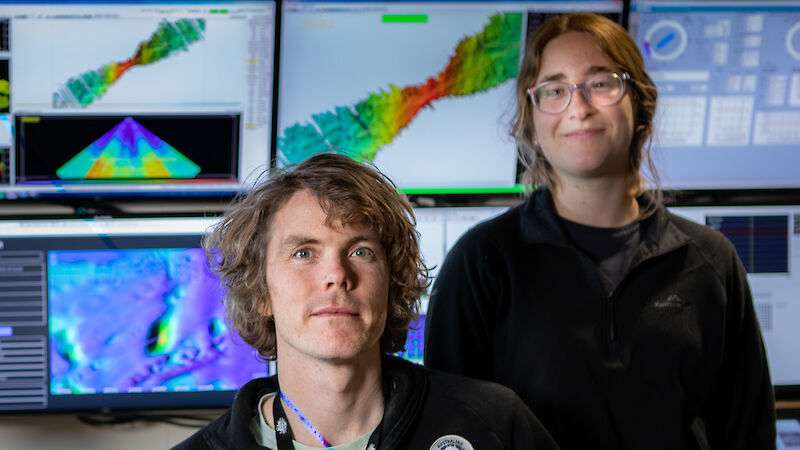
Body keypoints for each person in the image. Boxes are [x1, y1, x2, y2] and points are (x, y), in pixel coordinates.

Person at [424, 12, 776, 450]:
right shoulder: (482, 261)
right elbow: (449, 434)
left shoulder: (709, 261)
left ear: (641, 103)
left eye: (601, 82)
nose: (579, 107)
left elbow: (748, 434)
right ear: (532, 121)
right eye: (554, 90)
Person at [172, 153, 558, 450]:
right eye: (304, 253)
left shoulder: (495, 424)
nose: (336, 274)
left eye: (360, 252)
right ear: (261, 294)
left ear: (391, 283)